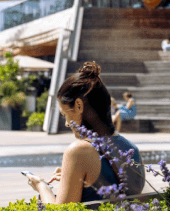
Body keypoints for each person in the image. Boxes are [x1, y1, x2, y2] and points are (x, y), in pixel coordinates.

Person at [25, 61, 145, 204]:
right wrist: (73, 176)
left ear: (79, 105)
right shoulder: (132, 149)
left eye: (65, 114)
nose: (67, 123)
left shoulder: (78, 151)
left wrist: (42, 187)